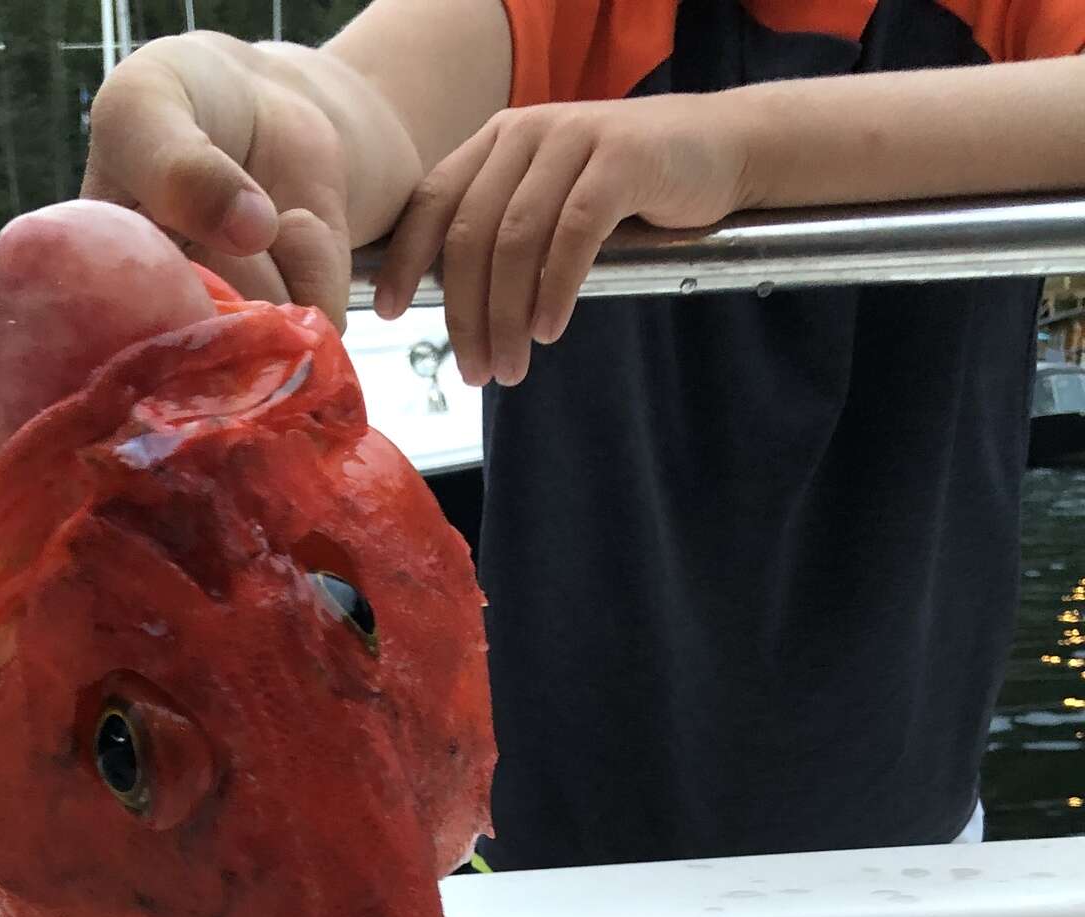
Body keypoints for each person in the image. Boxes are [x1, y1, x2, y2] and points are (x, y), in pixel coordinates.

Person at [81, 2, 1085, 869]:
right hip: (552, 875)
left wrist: (736, 149)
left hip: (915, 863)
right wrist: (250, 104)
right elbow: (353, 101)